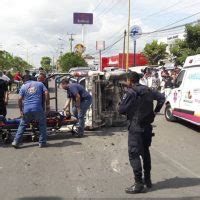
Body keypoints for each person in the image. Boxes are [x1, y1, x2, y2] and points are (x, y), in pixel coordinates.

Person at [119, 71, 165, 194]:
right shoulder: (148, 90)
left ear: (129, 80)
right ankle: (148, 180)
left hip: (135, 127)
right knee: (145, 152)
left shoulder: (130, 92)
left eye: (126, 80)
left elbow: (122, 110)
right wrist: (155, 111)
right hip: (147, 127)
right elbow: (161, 98)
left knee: (134, 154)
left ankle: (138, 183)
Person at [12, 75, 50, 148]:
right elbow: (46, 93)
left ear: (25, 80)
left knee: (22, 125)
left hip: (27, 109)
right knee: (42, 124)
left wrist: (21, 110)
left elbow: (19, 99)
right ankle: (42, 143)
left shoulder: (23, 86)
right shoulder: (40, 84)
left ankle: (16, 141)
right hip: (38, 108)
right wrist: (47, 105)